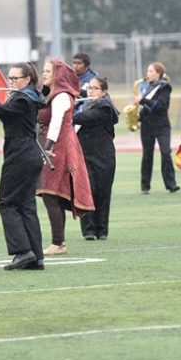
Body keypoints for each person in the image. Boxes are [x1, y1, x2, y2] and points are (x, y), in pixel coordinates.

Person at [0, 62, 46, 270]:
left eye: (15, 78)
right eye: (9, 78)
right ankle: (36, 256)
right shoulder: (30, 97)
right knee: (26, 205)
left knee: (7, 203)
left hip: (20, 156)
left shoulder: (22, 98)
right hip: (29, 154)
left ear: (27, 79)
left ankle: (22, 251)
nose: (10, 82)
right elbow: (3, 112)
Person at [37, 59, 94, 256]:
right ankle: (58, 241)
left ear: (58, 75)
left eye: (48, 71)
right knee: (51, 194)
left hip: (59, 146)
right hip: (53, 144)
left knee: (50, 193)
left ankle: (58, 243)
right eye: (43, 71)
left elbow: (56, 123)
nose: (43, 74)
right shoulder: (50, 94)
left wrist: (48, 147)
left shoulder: (61, 96)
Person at [73, 76, 119, 240]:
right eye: (89, 88)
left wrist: (67, 113)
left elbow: (85, 118)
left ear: (104, 91)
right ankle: (89, 230)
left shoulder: (105, 106)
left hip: (104, 156)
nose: (91, 91)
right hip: (85, 155)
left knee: (103, 192)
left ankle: (102, 230)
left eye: (95, 88)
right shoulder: (83, 104)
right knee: (87, 190)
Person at [136, 62, 180, 194]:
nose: (147, 74)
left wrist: (142, 100)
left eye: (150, 71)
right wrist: (138, 114)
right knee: (147, 155)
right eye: (147, 71)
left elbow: (161, 105)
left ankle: (171, 184)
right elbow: (146, 107)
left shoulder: (164, 87)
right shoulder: (145, 87)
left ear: (158, 73)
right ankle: (145, 186)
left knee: (166, 152)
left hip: (162, 125)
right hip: (147, 125)